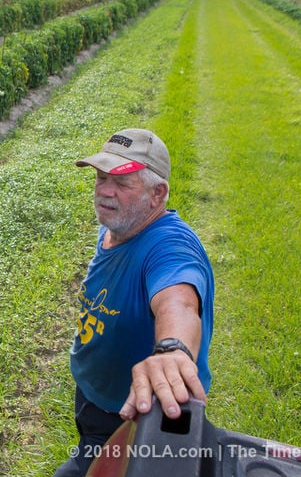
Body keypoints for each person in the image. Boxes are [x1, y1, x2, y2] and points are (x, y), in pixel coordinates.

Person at [52, 128, 215, 477]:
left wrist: (173, 351)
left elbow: (179, 301)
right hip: (96, 398)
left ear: (158, 194)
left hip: (137, 415)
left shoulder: (169, 246)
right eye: (101, 177)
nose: (104, 191)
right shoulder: (119, 225)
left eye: (123, 183)